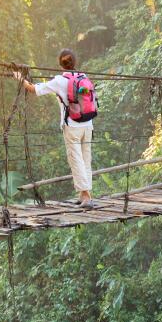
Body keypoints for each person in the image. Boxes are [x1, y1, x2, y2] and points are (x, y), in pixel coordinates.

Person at [13, 49, 97, 208]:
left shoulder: (59, 80)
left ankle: (85, 196)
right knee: (86, 159)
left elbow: (33, 89)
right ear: (75, 62)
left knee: (75, 159)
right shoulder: (83, 77)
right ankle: (84, 194)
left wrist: (19, 78)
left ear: (60, 64)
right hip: (88, 124)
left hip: (72, 126)